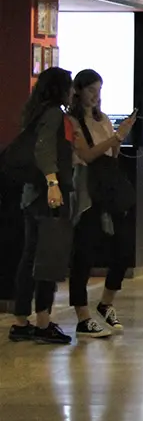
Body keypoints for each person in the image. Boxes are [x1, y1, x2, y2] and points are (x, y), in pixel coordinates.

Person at [8, 68, 76, 345]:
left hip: (30, 195)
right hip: (47, 196)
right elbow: (44, 149)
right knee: (49, 257)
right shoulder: (53, 115)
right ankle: (43, 323)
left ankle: (21, 321)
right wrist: (53, 183)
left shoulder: (34, 113)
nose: (72, 92)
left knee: (29, 257)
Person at [67, 69, 137, 338]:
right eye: (91, 90)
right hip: (87, 190)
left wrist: (118, 138)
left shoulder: (104, 119)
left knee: (123, 246)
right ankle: (82, 314)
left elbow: (112, 154)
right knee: (84, 250)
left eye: (99, 90)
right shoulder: (72, 121)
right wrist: (116, 137)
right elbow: (86, 154)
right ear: (79, 91)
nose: (96, 96)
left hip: (110, 187)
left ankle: (106, 303)